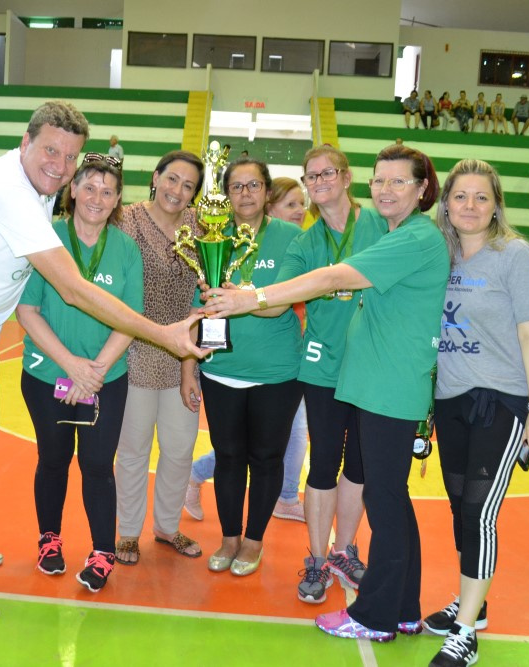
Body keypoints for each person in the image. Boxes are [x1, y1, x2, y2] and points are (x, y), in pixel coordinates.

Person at [0, 101, 204, 623]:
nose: (60, 165)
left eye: (70, 156)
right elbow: (73, 289)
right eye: (51, 151)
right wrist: (162, 334)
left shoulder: (40, 192)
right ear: (26, 142)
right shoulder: (10, 192)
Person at [202, 144, 448, 642]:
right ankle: (402, 607)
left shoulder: (410, 237)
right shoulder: (393, 233)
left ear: (423, 188)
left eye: (399, 181)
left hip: (388, 383)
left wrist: (253, 296)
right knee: (390, 499)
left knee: (383, 497)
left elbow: (336, 276)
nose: (386, 189)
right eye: (382, 180)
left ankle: (375, 614)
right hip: (369, 378)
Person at [423, 159, 529, 667]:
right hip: (450, 399)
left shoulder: (514, 254)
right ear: (446, 204)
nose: (470, 206)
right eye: (460, 196)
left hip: (500, 401)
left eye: (482, 197)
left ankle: (465, 632)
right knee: (461, 509)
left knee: (480, 512)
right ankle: (472, 605)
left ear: (497, 204)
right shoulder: (440, 254)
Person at [17, 154, 140, 593]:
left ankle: (103, 551)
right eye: (89, 187)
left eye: (107, 191)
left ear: (118, 199)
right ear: (72, 189)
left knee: (97, 465)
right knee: (52, 460)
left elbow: (130, 319)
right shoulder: (46, 239)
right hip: (46, 374)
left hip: (106, 378)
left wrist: (94, 372)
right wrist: (71, 366)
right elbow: (27, 310)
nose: (97, 198)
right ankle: (49, 539)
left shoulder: (126, 250)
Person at [272, 147, 387, 605]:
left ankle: (345, 550)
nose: (319, 182)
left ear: (346, 176)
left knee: (359, 465)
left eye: (327, 173)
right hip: (322, 367)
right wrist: (242, 297)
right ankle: (318, 559)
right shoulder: (305, 243)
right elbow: (280, 296)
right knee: (323, 463)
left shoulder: (380, 224)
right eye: (311, 176)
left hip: (371, 365)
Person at [193, 157, 303, 578]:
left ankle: (254, 540)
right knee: (228, 457)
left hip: (277, 372)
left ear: (267, 191)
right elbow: (197, 307)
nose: (245, 194)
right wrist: (188, 368)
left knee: (267, 457)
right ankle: (229, 538)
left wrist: (240, 298)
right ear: (225, 194)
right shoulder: (211, 237)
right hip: (221, 368)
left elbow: (280, 302)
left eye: (253, 185)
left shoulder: (290, 237)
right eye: (236, 186)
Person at [114, 150, 206, 566]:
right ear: (155, 177)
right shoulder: (126, 220)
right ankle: (128, 533)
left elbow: (202, 301)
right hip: (132, 349)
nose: (177, 190)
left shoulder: (201, 228)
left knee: (180, 447)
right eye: (172, 179)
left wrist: (189, 367)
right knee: (133, 450)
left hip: (183, 355)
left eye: (188, 186)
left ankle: (167, 527)